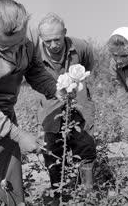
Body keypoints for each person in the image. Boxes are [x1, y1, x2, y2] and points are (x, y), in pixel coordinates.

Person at [0, 0, 58, 206]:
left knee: (9, 184)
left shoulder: (28, 36)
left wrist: (56, 89)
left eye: (18, 45)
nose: (13, 52)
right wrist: (20, 136)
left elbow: (35, 70)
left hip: (6, 118)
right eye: (5, 48)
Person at [37, 13, 96, 204]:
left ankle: (86, 196)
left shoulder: (80, 47)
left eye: (57, 39)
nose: (53, 45)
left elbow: (88, 67)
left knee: (85, 151)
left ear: (65, 33)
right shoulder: (35, 55)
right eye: (47, 41)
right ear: (41, 39)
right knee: (53, 156)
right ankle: (59, 196)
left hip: (79, 109)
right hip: (50, 112)